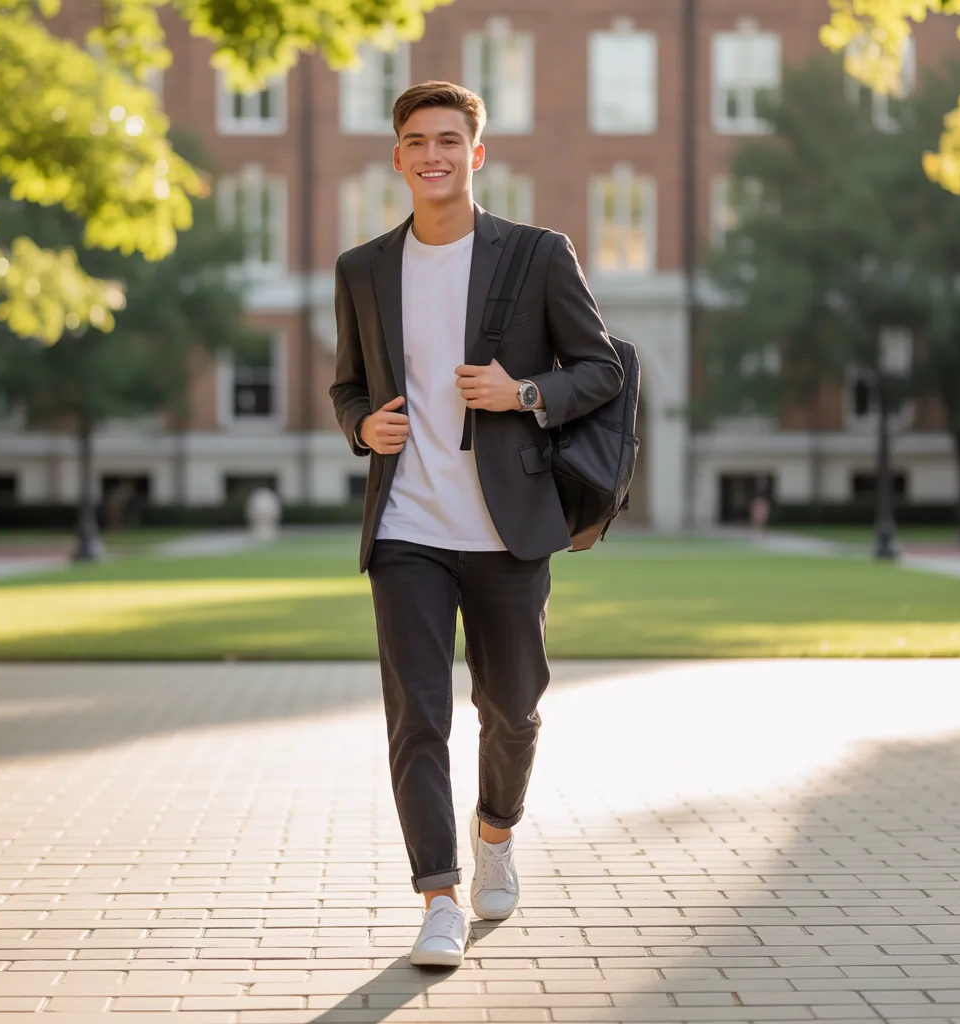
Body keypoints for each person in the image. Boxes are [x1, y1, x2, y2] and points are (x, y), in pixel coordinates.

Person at [329, 81, 623, 969]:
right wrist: (359, 426)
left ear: (476, 154)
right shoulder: (363, 269)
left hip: (508, 528)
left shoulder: (535, 255)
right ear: (398, 158)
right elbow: (349, 384)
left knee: (514, 710)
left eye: (449, 140)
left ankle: (496, 832)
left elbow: (601, 369)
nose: (433, 155)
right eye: (417, 141)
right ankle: (439, 897)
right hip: (407, 528)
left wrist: (523, 392)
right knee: (417, 716)